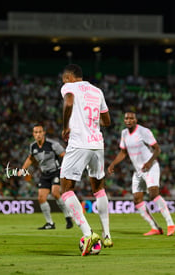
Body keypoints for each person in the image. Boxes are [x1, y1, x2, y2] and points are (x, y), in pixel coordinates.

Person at [59, 63, 112, 256]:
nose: (63, 82)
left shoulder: (69, 87)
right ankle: (107, 234)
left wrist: (65, 126)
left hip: (79, 143)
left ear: (70, 77)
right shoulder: (97, 91)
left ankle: (88, 234)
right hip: (97, 144)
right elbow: (107, 122)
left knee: (65, 189)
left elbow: (70, 102)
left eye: (64, 79)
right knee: (99, 189)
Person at [107, 111, 175, 236]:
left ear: (135, 120)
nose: (128, 120)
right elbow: (123, 152)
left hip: (151, 167)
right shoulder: (124, 133)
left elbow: (157, 149)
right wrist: (113, 164)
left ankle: (171, 224)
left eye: (131, 118)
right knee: (137, 199)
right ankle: (155, 227)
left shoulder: (143, 131)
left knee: (153, 193)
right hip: (139, 171)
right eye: (126, 118)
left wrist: (150, 162)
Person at [18, 123, 73, 230]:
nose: (38, 134)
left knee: (55, 193)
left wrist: (68, 170)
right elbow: (31, 158)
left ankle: (68, 217)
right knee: (41, 198)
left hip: (56, 172)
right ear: (33, 134)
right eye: (36, 132)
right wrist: (23, 169)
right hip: (45, 174)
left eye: (40, 132)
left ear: (44, 133)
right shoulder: (33, 146)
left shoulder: (53, 144)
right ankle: (50, 223)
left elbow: (65, 156)